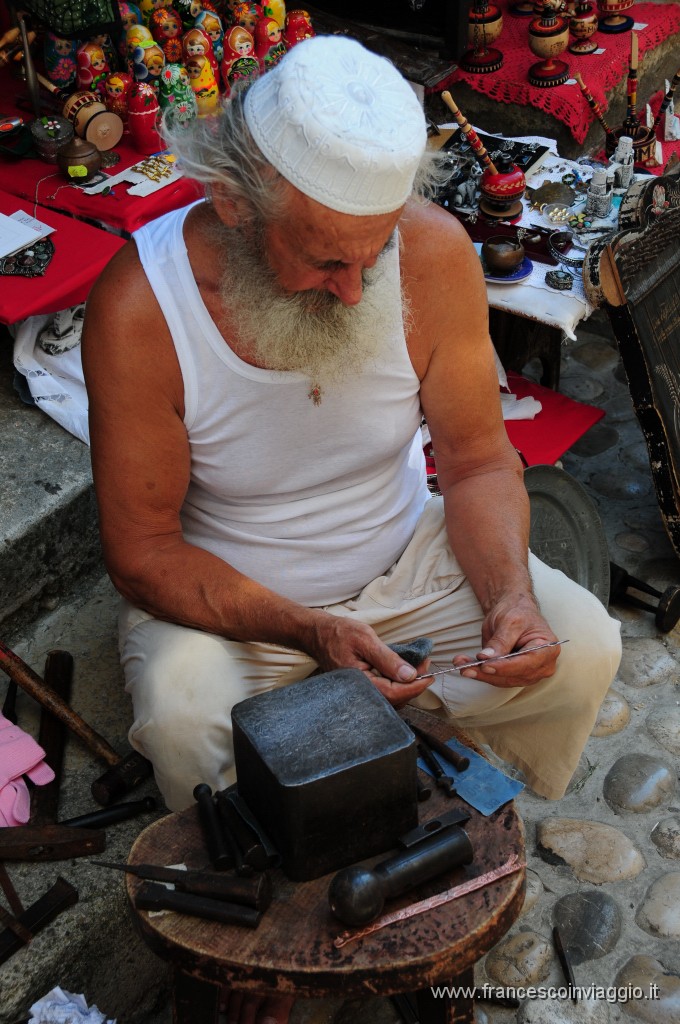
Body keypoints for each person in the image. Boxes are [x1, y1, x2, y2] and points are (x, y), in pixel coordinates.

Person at [82, 35, 621, 1024]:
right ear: (238, 206)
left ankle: (415, 792)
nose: (351, 285)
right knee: (182, 718)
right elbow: (144, 553)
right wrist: (309, 631)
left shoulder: (425, 251)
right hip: (236, 599)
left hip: (404, 556)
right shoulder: (140, 306)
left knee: (576, 644)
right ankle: (277, 923)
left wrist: (504, 595)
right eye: (326, 256)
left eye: (370, 254)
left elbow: (468, 459)